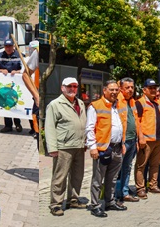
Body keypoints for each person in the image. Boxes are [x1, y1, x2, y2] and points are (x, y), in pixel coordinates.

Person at [46, 77, 88, 216]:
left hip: (79, 145)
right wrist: (52, 148)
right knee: (60, 176)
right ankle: (56, 204)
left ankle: (73, 199)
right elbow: (50, 127)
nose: (72, 89)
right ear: (62, 88)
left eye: (75, 86)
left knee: (77, 175)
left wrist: (85, 141)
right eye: (69, 86)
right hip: (63, 146)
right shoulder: (55, 104)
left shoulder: (80, 103)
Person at [86, 80, 127, 218]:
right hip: (103, 148)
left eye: (116, 90)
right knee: (98, 179)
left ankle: (109, 201)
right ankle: (95, 205)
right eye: (111, 89)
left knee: (113, 178)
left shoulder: (119, 105)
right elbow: (90, 128)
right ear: (104, 90)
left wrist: (122, 144)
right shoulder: (95, 106)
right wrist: (92, 147)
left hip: (117, 147)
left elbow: (121, 126)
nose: (114, 92)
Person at [135, 78, 160, 198]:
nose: (153, 90)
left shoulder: (158, 103)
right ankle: (140, 188)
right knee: (141, 165)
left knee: (155, 164)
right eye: (151, 88)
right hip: (146, 140)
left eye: (155, 88)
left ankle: (153, 186)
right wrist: (140, 137)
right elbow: (137, 121)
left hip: (158, 139)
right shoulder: (140, 103)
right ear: (144, 90)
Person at [114, 78, 140, 204]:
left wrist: (138, 139)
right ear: (121, 89)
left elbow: (136, 121)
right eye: (127, 87)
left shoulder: (132, 102)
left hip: (132, 140)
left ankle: (124, 193)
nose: (130, 90)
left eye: (132, 87)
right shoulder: (117, 100)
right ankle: (115, 195)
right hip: (122, 141)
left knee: (127, 167)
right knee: (117, 169)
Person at [0, 39, 24, 132]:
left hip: (16, 85)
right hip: (4, 85)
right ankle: (8, 126)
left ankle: (17, 124)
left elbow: (24, 69)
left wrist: (17, 72)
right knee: (5, 103)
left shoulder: (20, 55)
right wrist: (1, 70)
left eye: (10, 46)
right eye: (6, 46)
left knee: (15, 102)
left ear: (13, 46)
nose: (8, 48)